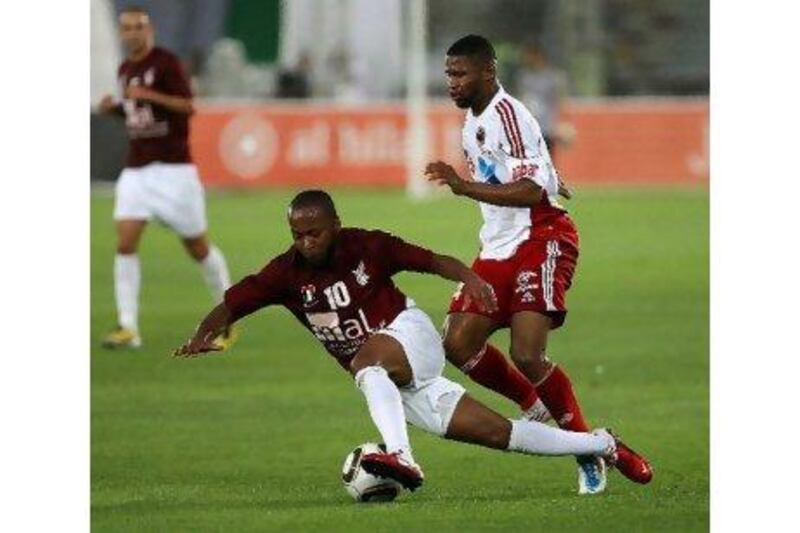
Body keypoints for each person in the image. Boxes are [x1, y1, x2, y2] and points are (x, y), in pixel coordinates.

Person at [174, 190, 628, 493]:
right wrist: (201, 334)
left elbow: (430, 260)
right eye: (297, 234)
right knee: (502, 434)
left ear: (335, 224)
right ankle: (598, 444)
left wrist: (470, 277)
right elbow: (234, 301)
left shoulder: (368, 246)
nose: (306, 242)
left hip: (410, 337)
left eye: (314, 232)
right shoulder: (285, 274)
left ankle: (402, 456)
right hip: (396, 382)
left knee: (366, 364)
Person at [424, 34, 652, 494]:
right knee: (458, 344)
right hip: (497, 247)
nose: (452, 83)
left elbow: (530, 193)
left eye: (460, 73)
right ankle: (536, 406)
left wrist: (464, 187)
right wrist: (549, 171)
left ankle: (591, 448)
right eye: (449, 74)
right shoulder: (473, 121)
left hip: (541, 238)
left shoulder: (509, 114)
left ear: (488, 72)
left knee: (527, 353)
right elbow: (522, 171)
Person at [97, 6, 233, 350]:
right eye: (125, 28)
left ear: (149, 29)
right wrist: (113, 108)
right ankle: (128, 327)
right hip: (137, 170)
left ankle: (228, 313)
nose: (131, 33)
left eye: (137, 27)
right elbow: (136, 116)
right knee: (125, 241)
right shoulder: (125, 69)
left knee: (198, 247)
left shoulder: (166, 63)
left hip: (174, 171)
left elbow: (188, 106)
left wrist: (150, 96)